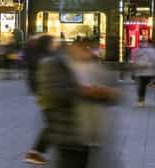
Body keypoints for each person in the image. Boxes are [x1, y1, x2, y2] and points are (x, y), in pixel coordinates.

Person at [38, 38, 119, 168]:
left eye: (88, 48)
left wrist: (107, 93)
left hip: (89, 135)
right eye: (82, 48)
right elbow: (55, 93)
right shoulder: (54, 64)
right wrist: (86, 91)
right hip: (68, 133)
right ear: (71, 48)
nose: (86, 52)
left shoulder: (94, 66)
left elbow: (113, 93)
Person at [25, 35, 57, 165]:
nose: (54, 45)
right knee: (53, 123)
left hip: (45, 93)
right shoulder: (42, 58)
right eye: (52, 43)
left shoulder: (43, 56)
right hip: (46, 94)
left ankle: (36, 152)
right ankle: (35, 153)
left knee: (53, 123)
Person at [131, 38, 155, 106]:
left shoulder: (135, 50)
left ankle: (141, 100)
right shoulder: (151, 50)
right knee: (143, 85)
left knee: (141, 86)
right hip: (148, 71)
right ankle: (142, 99)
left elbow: (133, 60)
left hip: (139, 71)